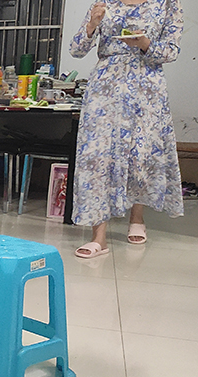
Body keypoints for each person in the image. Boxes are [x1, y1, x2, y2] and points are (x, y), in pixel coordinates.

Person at [70, 0, 184, 258]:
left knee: (140, 153)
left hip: (147, 86)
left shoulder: (168, 4)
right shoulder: (104, 3)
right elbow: (76, 50)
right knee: (96, 157)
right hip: (105, 86)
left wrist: (144, 43)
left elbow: (171, 51)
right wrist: (92, 25)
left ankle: (137, 217)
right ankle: (98, 237)